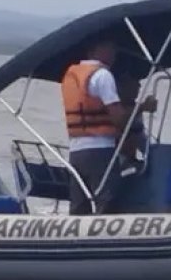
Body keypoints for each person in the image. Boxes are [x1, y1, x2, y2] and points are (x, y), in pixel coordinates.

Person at [60, 37, 156, 215]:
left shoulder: (71, 75)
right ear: (96, 49)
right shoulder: (102, 75)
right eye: (110, 48)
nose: (114, 54)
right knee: (107, 201)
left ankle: (78, 239)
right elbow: (118, 119)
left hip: (76, 151)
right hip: (100, 150)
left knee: (79, 205)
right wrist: (143, 107)